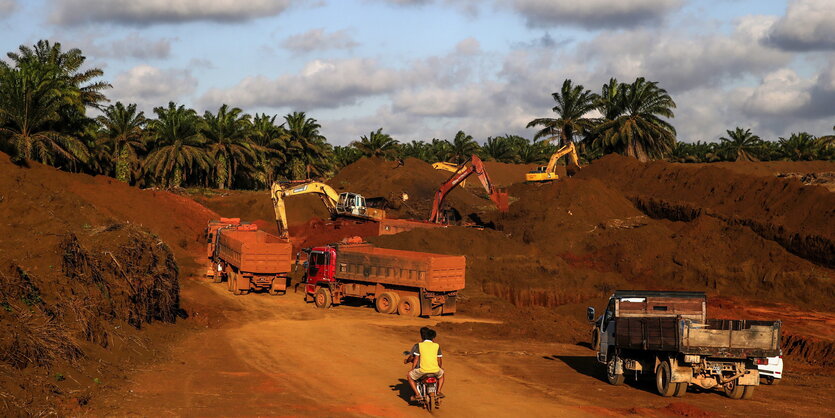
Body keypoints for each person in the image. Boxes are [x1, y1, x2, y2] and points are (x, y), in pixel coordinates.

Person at [406, 326, 445, 401]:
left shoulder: (419, 345)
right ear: (433, 338)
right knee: (442, 375)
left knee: (409, 376)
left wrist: (412, 369)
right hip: (435, 370)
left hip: (422, 370)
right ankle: (439, 391)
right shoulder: (437, 346)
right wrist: (440, 367)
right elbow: (439, 359)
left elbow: (416, 358)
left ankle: (417, 394)